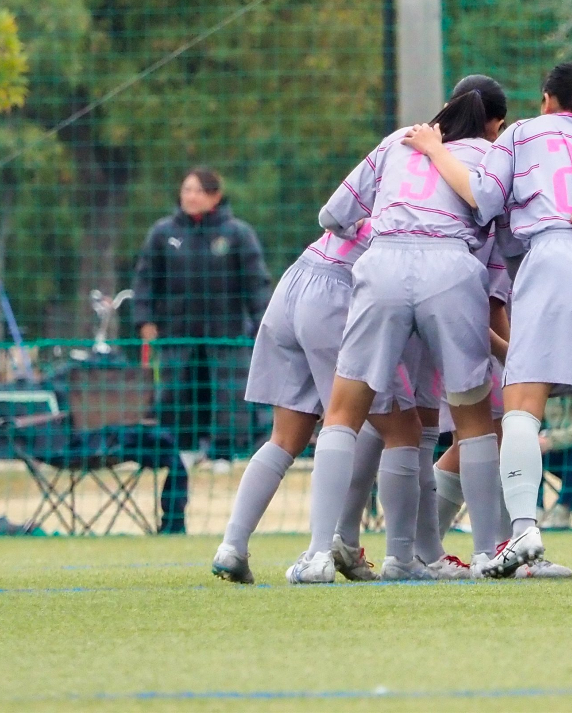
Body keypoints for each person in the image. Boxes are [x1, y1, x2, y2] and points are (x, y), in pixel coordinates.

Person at [407, 61, 572, 579]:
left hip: (554, 257)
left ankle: (524, 529)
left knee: (520, 405)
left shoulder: (522, 134)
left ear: (547, 100)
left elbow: (483, 198)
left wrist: (436, 150)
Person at [285, 84, 501, 584]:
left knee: (344, 412)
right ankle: (488, 553)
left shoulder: (398, 140)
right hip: (452, 266)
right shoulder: (494, 153)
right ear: (496, 123)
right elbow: (496, 213)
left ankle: (320, 553)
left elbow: (333, 215)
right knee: (471, 418)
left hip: (382, 263)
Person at [211, 224, 388, 583]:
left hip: (298, 278)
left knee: (285, 438)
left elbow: (331, 213)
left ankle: (231, 546)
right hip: (338, 287)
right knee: (364, 421)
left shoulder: (376, 173)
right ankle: (333, 547)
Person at [132, 167, 270, 459]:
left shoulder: (237, 234)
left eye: (198, 191)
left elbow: (256, 285)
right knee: (176, 392)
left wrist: (263, 325)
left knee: (228, 394)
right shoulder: (163, 233)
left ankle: (224, 452)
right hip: (177, 333)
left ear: (215, 196)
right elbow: (145, 279)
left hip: (226, 334)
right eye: (187, 190)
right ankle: (180, 450)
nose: (191, 196)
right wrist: (144, 319)